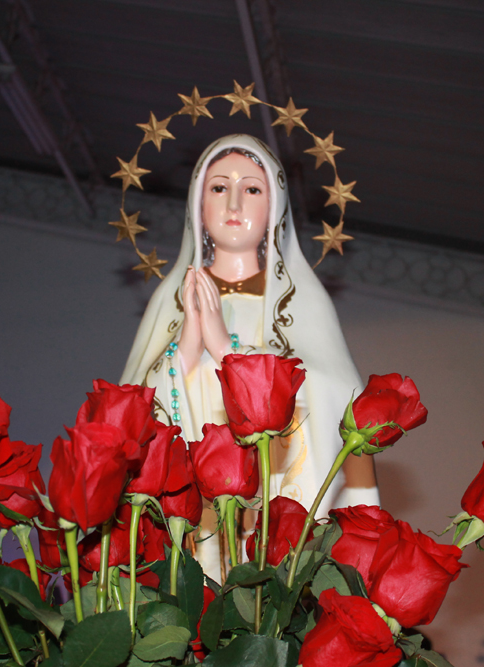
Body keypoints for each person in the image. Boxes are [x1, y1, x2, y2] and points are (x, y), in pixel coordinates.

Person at [120, 134, 378, 521]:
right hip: (187, 521)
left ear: (275, 207)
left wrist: (227, 351)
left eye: (252, 189)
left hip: (269, 517)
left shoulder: (302, 302)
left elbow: (334, 400)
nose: (234, 204)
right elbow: (133, 409)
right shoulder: (172, 300)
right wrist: (186, 348)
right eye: (219, 188)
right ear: (198, 205)